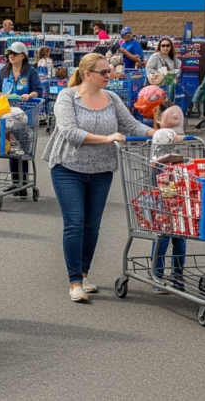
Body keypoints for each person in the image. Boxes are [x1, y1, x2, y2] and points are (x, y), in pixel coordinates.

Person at [43, 53, 153, 303]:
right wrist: (108, 138)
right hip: (68, 167)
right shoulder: (67, 97)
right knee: (75, 224)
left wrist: (158, 133)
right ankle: (74, 282)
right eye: (104, 72)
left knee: (92, 226)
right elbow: (70, 132)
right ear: (87, 74)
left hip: (102, 170)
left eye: (110, 71)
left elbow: (131, 125)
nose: (109, 75)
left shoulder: (112, 98)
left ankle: (84, 272)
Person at [0, 42, 43, 192]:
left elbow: (38, 90)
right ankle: (16, 183)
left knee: (24, 148)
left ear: (23, 55)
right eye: (9, 53)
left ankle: (23, 183)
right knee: (11, 149)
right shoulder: (3, 71)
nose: (11, 56)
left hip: (24, 115)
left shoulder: (30, 72)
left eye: (14, 53)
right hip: (7, 115)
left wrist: (30, 95)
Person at [150, 102, 186, 293]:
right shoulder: (161, 134)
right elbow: (163, 136)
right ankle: (158, 275)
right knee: (164, 234)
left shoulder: (178, 131)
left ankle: (178, 277)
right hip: (162, 184)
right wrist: (180, 136)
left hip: (179, 187)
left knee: (180, 235)